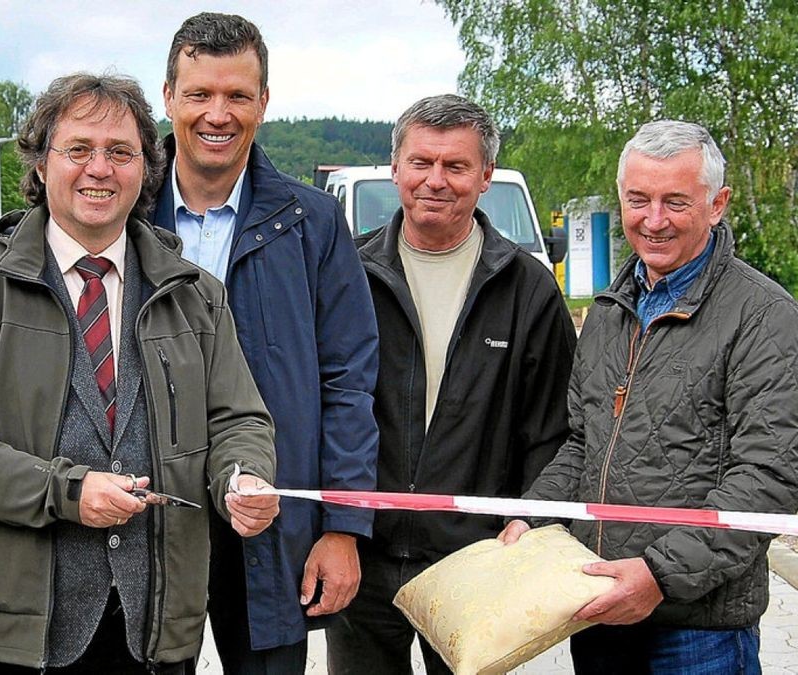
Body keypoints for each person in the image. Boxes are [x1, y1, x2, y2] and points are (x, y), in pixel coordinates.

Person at [0, 72, 280, 674]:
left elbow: (238, 418)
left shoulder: (197, 296)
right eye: (79, 149)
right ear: (42, 164)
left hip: (152, 627)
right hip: (10, 632)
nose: (100, 169)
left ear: (145, 169)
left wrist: (243, 475)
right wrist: (65, 490)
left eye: (121, 152)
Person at [499, 120, 798, 673]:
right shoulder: (610, 311)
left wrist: (658, 575)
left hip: (698, 630)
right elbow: (583, 442)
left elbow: (769, 479)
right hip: (601, 607)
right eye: (638, 199)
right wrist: (536, 516)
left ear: (718, 204)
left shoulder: (764, 317)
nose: (653, 221)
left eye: (675, 202)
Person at [152, 13, 380, 672]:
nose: (217, 113)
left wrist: (341, 526)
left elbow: (350, 383)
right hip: (151, 527)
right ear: (168, 97)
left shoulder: (312, 223)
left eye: (237, 95)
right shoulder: (129, 217)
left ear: (264, 103)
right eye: (199, 94)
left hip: (273, 527)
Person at [326, 94, 576, 675]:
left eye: (456, 166)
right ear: (395, 168)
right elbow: (322, 406)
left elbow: (554, 428)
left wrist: (529, 525)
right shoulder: (349, 275)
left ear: (485, 176)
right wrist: (331, 528)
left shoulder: (528, 288)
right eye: (421, 162)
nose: (435, 180)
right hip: (362, 558)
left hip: (476, 561)